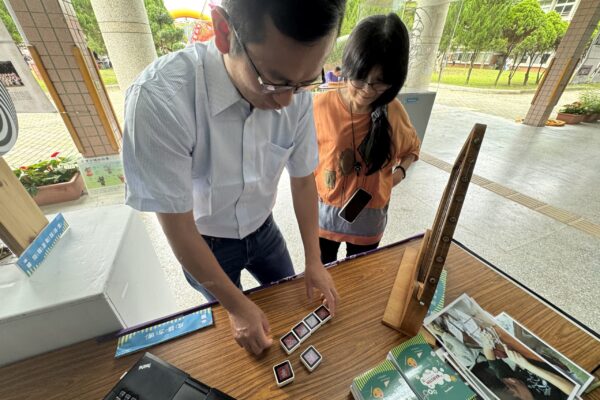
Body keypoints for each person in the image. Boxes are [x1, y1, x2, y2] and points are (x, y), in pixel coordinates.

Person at [122, 0, 346, 355]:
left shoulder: (294, 91)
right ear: (224, 32)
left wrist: (314, 260)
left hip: (264, 229)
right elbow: (178, 227)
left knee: (290, 303)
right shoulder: (160, 99)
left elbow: (303, 179)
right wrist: (237, 306)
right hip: (204, 241)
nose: (287, 102)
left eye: (304, 83)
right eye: (274, 81)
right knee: (232, 338)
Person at [312, 13, 420, 263]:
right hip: (325, 218)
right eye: (360, 79)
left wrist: (396, 176)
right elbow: (302, 161)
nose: (367, 91)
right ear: (348, 67)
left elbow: (412, 149)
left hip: (369, 222)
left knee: (360, 276)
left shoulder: (393, 111)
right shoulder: (321, 106)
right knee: (324, 272)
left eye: (380, 83)